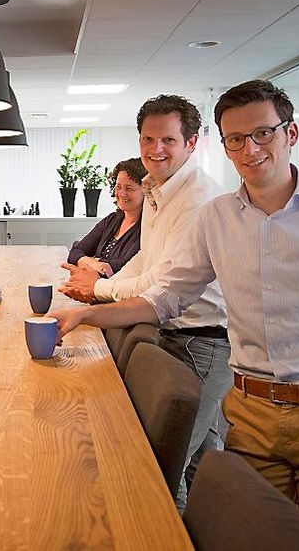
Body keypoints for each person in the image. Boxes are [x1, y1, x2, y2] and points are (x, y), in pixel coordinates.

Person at [49, 80, 299, 551]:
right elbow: (165, 298)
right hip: (251, 412)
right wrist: (84, 317)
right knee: (250, 537)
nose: (251, 148)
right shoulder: (217, 217)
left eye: (263, 133)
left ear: (291, 133)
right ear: (223, 146)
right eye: (237, 139)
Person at [59, 95, 229, 511]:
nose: (156, 150)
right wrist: (104, 283)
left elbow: (163, 284)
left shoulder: (198, 200)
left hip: (201, 341)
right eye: (148, 139)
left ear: (192, 142)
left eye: (168, 140)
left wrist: (96, 294)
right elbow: (145, 259)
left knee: (161, 469)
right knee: (202, 459)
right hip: (173, 332)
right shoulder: (157, 190)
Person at [66, 157, 146, 275]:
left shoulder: (148, 228)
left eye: (129, 188)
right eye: (118, 187)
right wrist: (94, 263)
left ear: (146, 191)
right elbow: (75, 252)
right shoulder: (111, 219)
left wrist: (89, 260)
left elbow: (124, 266)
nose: (121, 193)